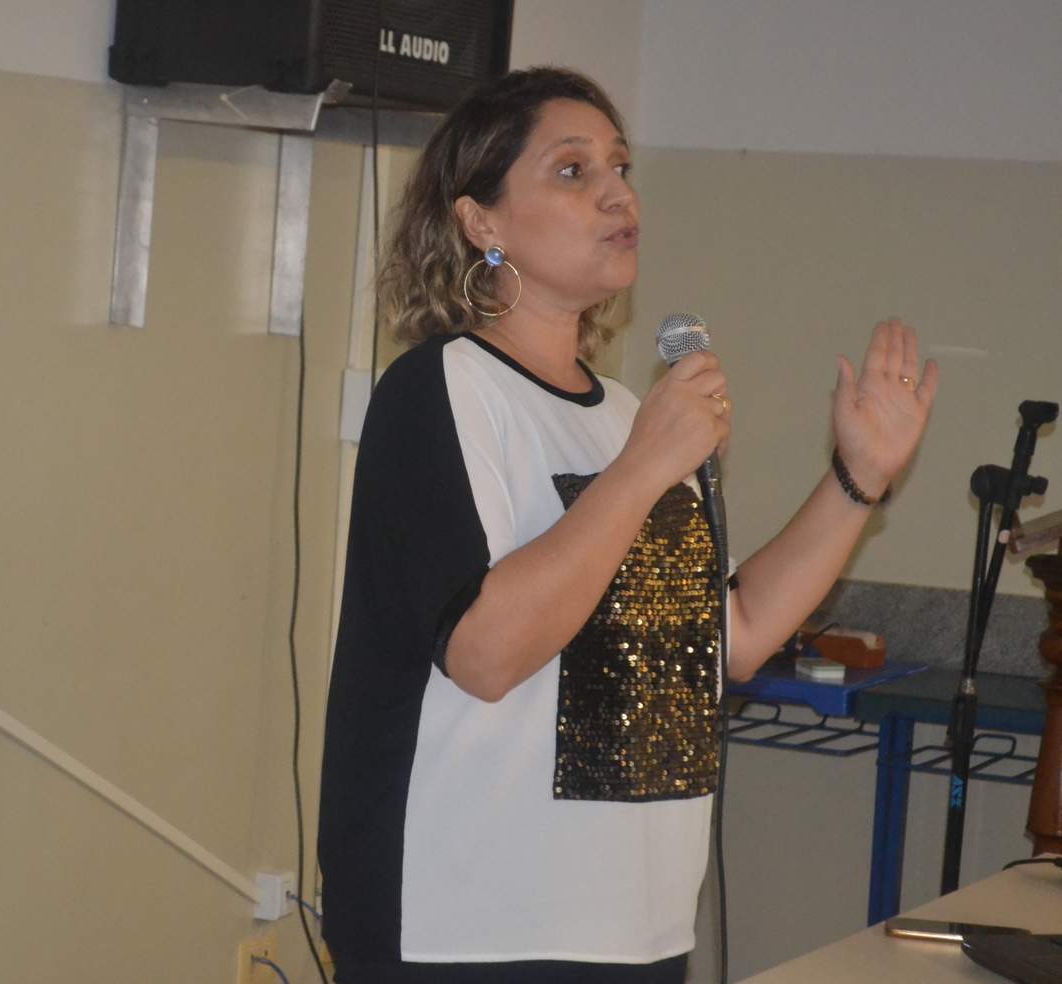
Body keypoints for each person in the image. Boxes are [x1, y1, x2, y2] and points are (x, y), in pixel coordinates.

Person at [316, 66, 937, 984]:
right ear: (481, 221)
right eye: (573, 171)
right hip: (468, 925)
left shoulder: (626, 415)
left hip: (633, 925)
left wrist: (858, 479)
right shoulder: (441, 392)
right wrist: (644, 467)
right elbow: (485, 653)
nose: (618, 194)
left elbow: (733, 636)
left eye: (622, 167)